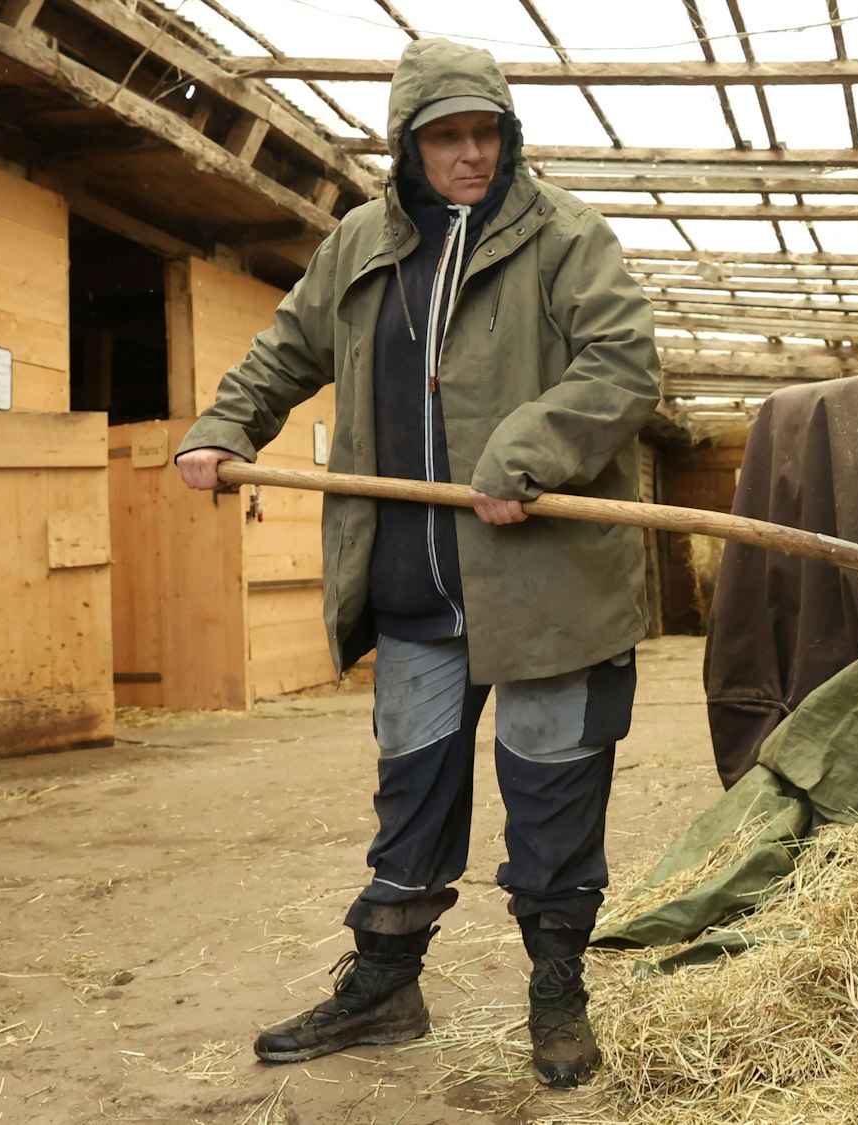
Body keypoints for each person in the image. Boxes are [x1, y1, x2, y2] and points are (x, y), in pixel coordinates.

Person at [172, 38, 659, 1088]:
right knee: (413, 793)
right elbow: (286, 348)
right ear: (407, 147)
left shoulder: (568, 239)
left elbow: (623, 364)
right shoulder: (358, 246)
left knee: (552, 795)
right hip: (412, 583)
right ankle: (386, 985)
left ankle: (556, 993)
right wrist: (223, 427)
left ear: (508, 136)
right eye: (447, 138)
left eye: (485, 133)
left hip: (547, 590)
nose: (470, 155)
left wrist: (524, 454)